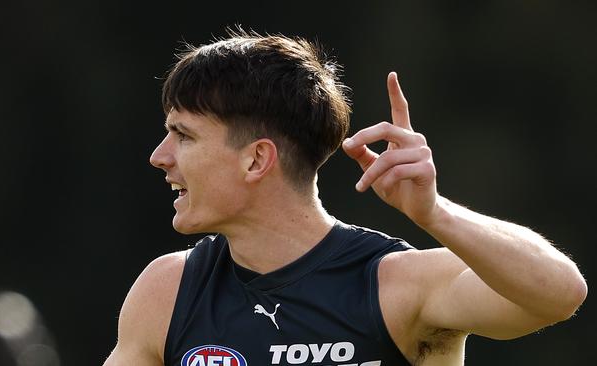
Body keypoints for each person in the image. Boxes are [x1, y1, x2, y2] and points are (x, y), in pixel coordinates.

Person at [103, 29, 587, 366]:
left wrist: (436, 214)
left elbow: (560, 294)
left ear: (256, 160)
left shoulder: (393, 282)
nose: (159, 156)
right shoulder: (168, 290)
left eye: (183, 136)